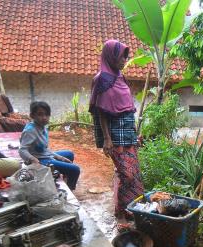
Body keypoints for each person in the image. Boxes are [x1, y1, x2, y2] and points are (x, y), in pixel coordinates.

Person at [89, 40, 144, 220]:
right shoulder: (101, 79)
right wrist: (106, 138)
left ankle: (132, 210)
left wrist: (135, 134)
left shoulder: (121, 77)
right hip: (114, 134)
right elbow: (100, 110)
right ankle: (123, 210)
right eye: (122, 56)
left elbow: (127, 108)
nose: (124, 60)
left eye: (126, 57)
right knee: (127, 174)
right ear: (111, 56)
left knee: (134, 173)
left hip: (128, 132)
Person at [19, 101, 81, 190]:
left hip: (44, 156)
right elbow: (22, 150)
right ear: (32, 116)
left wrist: (60, 158)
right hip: (39, 160)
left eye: (47, 114)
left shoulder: (42, 127)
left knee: (69, 154)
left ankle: (64, 176)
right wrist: (32, 159)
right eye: (40, 114)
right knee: (75, 169)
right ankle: (70, 189)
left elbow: (45, 149)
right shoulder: (30, 131)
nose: (44, 117)